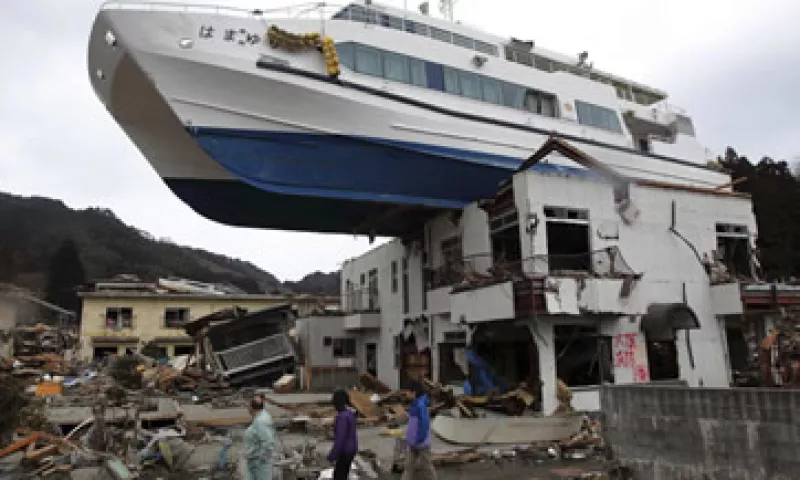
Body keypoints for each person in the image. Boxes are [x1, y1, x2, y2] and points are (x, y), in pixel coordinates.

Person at [402, 382, 437, 480]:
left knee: (426, 466)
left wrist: (419, 439)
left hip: (422, 443)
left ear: (414, 393)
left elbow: (425, 424)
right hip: (413, 442)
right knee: (408, 466)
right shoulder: (414, 404)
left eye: (408, 392)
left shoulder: (420, 406)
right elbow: (413, 423)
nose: (406, 394)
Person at [327, 389, 358, 480]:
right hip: (352, 449)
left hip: (345, 451)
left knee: (338, 476)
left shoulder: (342, 417)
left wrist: (332, 456)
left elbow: (340, 439)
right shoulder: (350, 414)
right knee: (344, 474)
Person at [243, 395, 276, 480]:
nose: (247, 408)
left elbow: (268, 443)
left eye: (248, 406)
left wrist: (259, 461)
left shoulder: (260, 422)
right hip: (255, 463)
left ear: (251, 408)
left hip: (259, 466)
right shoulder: (262, 416)